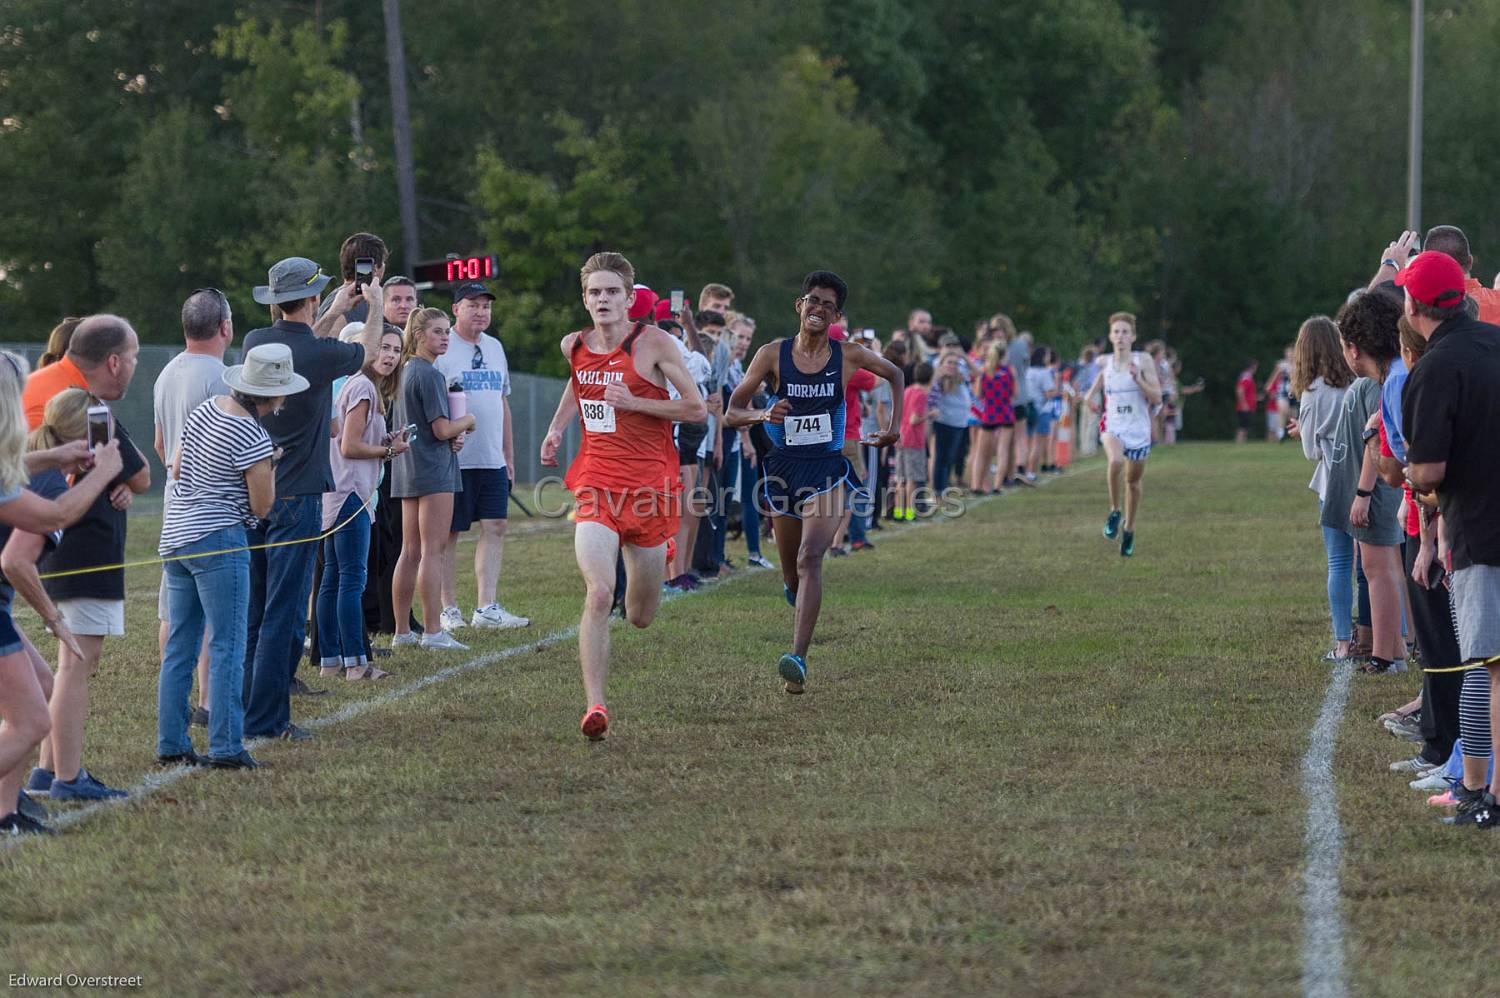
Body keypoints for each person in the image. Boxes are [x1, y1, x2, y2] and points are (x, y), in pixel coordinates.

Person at [539, 251, 706, 739]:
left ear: (630, 299)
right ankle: (595, 706)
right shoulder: (574, 344)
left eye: (612, 291)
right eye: (595, 292)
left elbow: (696, 408)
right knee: (598, 591)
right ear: (585, 299)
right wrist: (554, 431)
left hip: (651, 488)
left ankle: (661, 553)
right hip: (596, 480)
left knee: (640, 615)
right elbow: (578, 386)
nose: (603, 299)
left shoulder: (655, 342)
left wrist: (635, 401)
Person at [726, 270, 902, 695]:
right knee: (791, 574)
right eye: (813, 300)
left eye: (828, 304)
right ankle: (794, 592)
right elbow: (733, 411)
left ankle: (798, 659)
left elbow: (895, 373)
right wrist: (763, 415)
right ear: (799, 305)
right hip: (783, 468)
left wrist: (893, 429)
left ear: (837, 314)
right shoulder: (771, 354)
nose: (818, 308)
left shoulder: (849, 355)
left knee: (810, 558)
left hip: (828, 468)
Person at [241, 256, 382, 742]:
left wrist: (334, 308)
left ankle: (246, 707)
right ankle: (268, 720)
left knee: (256, 608)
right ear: (312, 298)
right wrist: (373, 308)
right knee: (283, 610)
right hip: (298, 496)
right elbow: (361, 355)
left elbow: (301, 345)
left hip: (254, 492)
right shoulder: (321, 355)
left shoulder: (258, 343)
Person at [157, 344, 308, 771]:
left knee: (181, 646)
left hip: (178, 535)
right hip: (220, 542)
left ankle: (171, 741)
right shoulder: (253, 435)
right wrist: (269, 466)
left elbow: (179, 467)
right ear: (272, 394)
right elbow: (262, 507)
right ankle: (225, 746)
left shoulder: (205, 409)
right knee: (228, 643)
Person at [0, 353, 126, 834]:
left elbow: (14, 468)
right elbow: (42, 528)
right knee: (32, 722)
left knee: (43, 692)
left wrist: (55, 456)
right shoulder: (44, 485)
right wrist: (101, 472)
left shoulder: (29, 464)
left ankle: (7, 811)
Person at [25, 317, 149, 802]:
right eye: (134, 357)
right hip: (85, 550)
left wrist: (114, 482)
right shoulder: (90, 408)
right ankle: (68, 778)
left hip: (71, 548)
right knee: (79, 663)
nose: (135, 367)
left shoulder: (65, 398)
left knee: (71, 662)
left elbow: (128, 478)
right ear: (113, 361)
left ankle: (47, 768)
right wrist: (114, 479)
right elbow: (136, 474)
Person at [1400, 250, 1500, 826]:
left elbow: (1429, 471)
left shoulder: (1435, 368)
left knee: (1488, 664)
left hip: (1483, 529)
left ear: (1414, 305)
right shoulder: (1493, 341)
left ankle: (1483, 792)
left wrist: (1412, 474)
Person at [153, 288, 232, 730]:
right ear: (224, 326)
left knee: (175, 613)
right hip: (211, 510)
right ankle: (207, 701)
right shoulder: (221, 376)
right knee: (214, 617)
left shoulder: (165, 373)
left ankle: (175, 698)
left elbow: (163, 445)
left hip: (173, 505)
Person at [432, 283, 529, 632]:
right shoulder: (443, 346)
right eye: (473, 305)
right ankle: (449, 609)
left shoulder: (495, 347)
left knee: (496, 527)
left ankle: (487, 607)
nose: (481, 312)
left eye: (486, 306)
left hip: (491, 458)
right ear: (456, 308)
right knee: (449, 533)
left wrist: (508, 456)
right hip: (454, 458)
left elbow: (501, 402)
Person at [316, 324, 408, 681]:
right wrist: (389, 451)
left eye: (396, 350)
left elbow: (354, 438)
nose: (389, 356)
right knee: (350, 579)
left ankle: (331, 662)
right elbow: (349, 446)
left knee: (334, 579)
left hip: (340, 490)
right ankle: (356, 663)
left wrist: (384, 440)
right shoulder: (362, 386)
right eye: (383, 347)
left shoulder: (362, 386)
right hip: (350, 493)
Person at [1327, 291, 1405, 674]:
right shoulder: (1393, 373)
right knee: (1388, 567)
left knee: (1378, 569)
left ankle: (1385, 655)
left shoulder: (1390, 382)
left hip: (1386, 491)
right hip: (1399, 491)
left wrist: (1362, 492)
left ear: (1354, 349)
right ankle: (1397, 651)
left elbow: (1388, 450)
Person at [390, 307, 475, 651]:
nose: (445, 337)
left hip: (409, 468)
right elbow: (441, 430)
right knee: (432, 552)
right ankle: (434, 631)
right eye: (438, 331)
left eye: (446, 332)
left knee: (409, 552)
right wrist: (467, 420)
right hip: (434, 470)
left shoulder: (405, 370)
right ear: (420, 335)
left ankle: (402, 632)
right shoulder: (428, 373)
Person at [1288, 316, 1356, 660]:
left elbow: (1311, 451)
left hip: (1334, 484)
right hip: (1365, 480)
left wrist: (1304, 429)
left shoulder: (1313, 392)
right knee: (1378, 567)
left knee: (1339, 563)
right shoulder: (1357, 383)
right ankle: (1398, 637)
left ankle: (1343, 641)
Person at [1084, 312, 1162, 557]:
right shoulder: (1104, 362)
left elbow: (1157, 397)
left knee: (1132, 482)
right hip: (1114, 424)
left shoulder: (1143, 361)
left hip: (1138, 428)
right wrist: (1088, 398)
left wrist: (1138, 380)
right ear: (1110, 336)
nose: (1120, 337)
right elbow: (1097, 384)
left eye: (1125, 332)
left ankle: (1129, 529)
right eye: (1116, 332)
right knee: (1115, 460)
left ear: (1133, 336)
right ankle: (1115, 511)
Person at [969, 341, 1015, 495]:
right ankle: (997, 486)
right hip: (1006, 413)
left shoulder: (985, 371)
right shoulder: (1009, 370)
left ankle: (976, 485)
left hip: (989, 414)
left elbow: (977, 394)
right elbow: (1015, 393)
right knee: (1003, 451)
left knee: (982, 452)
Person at [926, 352, 971, 495]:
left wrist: (964, 358)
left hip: (959, 422)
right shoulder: (938, 379)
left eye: (955, 363)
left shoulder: (960, 378)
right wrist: (937, 375)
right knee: (941, 457)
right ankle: (938, 489)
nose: (952, 366)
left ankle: (943, 487)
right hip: (944, 422)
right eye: (949, 362)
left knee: (950, 457)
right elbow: (928, 395)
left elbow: (977, 373)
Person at [895, 361, 934, 520]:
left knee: (901, 478)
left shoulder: (908, 390)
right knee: (912, 479)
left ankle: (898, 512)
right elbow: (914, 419)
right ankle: (910, 513)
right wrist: (930, 415)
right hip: (913, 440)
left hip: (901, 438)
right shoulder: (921, 394)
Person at [1234, 360, 1258, 444]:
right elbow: (1240, 390)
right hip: (1244, 407)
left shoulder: (1247, 376)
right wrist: (1244, 404)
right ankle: (1239, 442)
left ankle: (1242, 442)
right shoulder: (1246, 377)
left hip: (1247, 406)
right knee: (1243, 427)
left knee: (1245, 427)